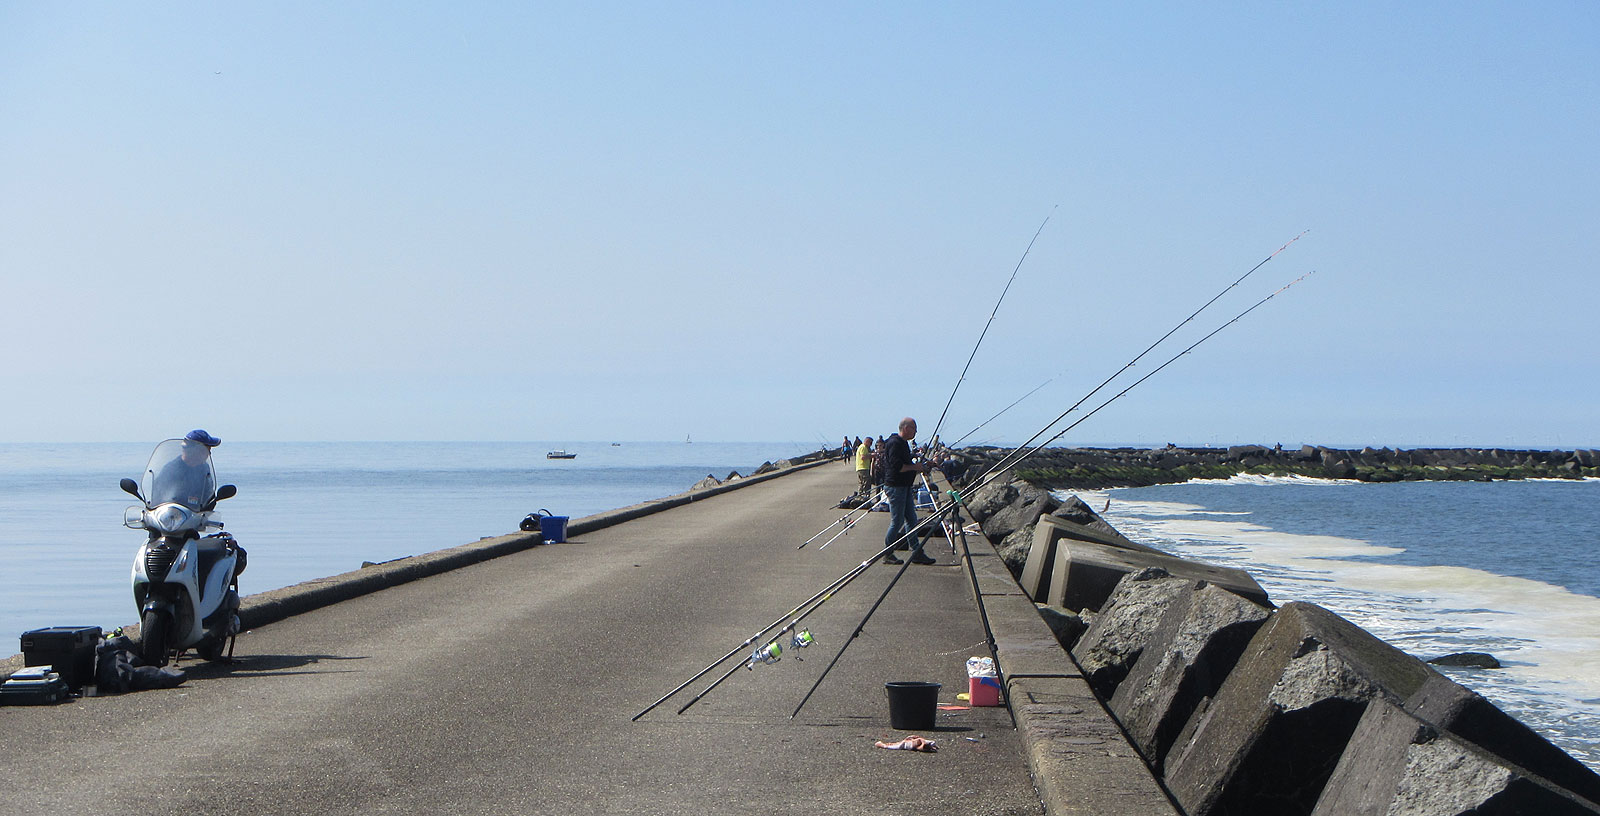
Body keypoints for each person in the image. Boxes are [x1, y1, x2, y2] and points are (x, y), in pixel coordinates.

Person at [880, 417, 935, 565]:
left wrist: (922, 463)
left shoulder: (903, 443)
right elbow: (898, 467)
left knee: (911, 520)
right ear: (906, 428)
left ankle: (917, 552)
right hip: (896, 487)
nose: (916, 432)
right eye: (914, 429)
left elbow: (906, 461)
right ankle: (887, 554)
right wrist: (915, 467)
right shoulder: (894, 443)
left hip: (905, 487)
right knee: (897, 522)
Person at [156, 429, 221, 509]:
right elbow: (157, 496)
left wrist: (210, 503)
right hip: (172, 513)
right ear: (197, 451)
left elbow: (208, 496)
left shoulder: (204, 469)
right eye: (207, 451)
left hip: (195, 514)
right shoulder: (171, 469)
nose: (208, 455)